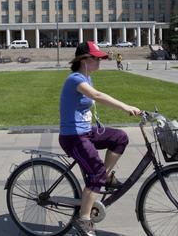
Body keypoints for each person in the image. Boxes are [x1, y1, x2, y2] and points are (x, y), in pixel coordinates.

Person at [59, 41, 140, 236]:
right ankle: (84, 219)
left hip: (86, 131)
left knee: (120, 138)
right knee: (96, 174)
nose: (99, 61)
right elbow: (96, 95)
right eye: (95, 58)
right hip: (73, 136)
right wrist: (126, 107)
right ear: (83, 60)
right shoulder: (75, 79)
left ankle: (106, 176)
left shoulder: (86, 77)